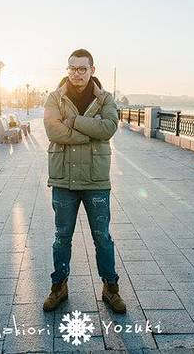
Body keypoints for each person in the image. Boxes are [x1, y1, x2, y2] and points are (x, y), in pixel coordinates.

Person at [42, 48, 126, 314]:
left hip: (95, 180)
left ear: (92, 70)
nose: (76, 73)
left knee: (102, 237)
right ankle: (59, 286)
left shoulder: (105, 98)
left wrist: (74, 121)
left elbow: (109, 128)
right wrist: (89, 133)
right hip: (63, 180)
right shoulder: (55, 97)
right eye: (72, 68)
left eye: (82, 68)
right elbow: (52, 130)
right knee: (61, 237)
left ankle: (110, 287)